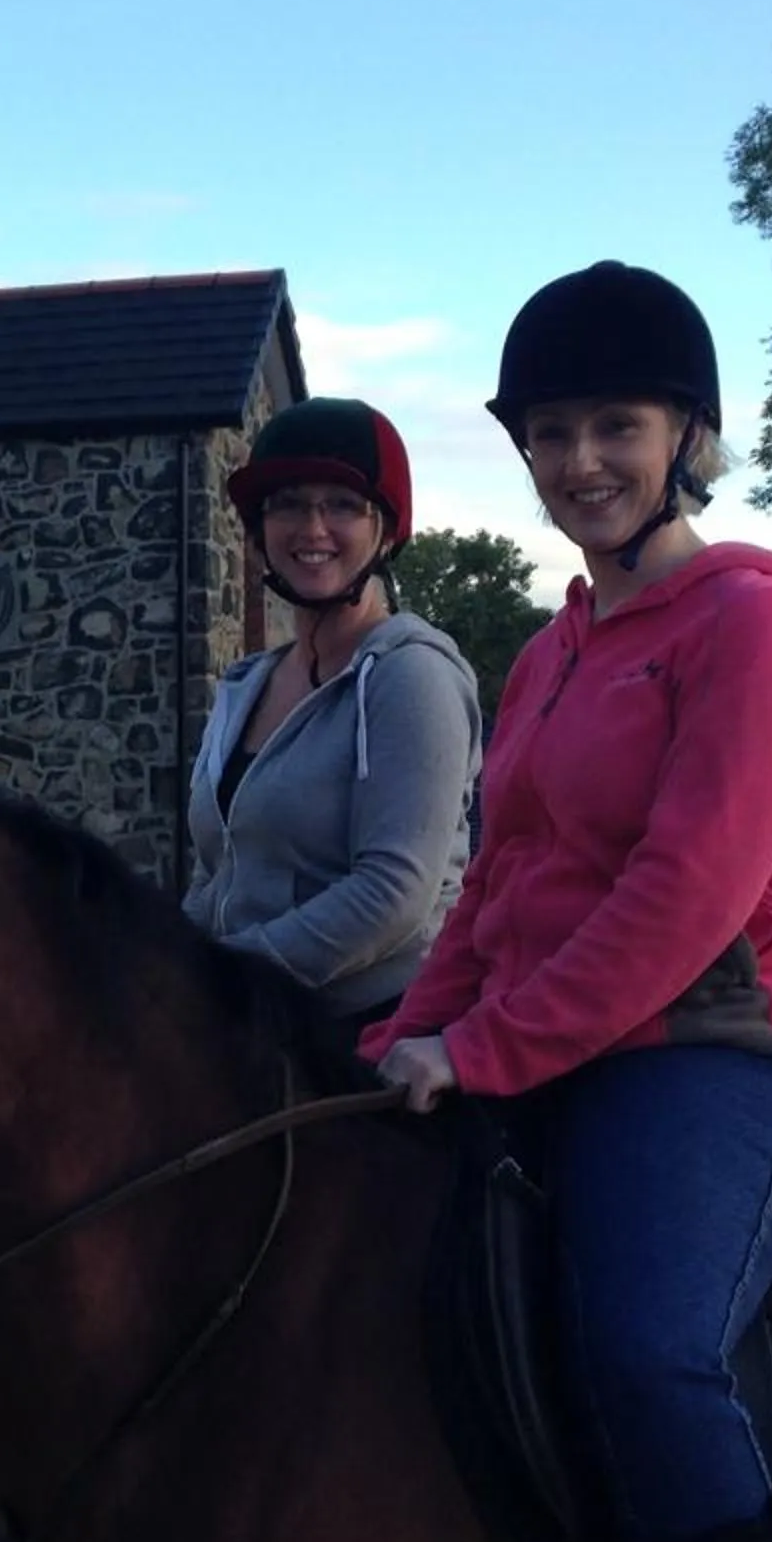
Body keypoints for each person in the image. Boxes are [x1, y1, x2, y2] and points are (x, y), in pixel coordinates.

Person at [363, 264, 772, 1542]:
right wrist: (392, 1052)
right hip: (557, 1035)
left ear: (687, 439)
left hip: (732, 1053)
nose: (582, 460)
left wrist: (486, 1053)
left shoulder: (753, 625)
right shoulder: (551, 653)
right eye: (554, 432)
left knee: (645, 1341)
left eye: (617, 428)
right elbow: (492, 896)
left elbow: (687, 897)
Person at [182, 396, 481, 1056]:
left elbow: (394, 893)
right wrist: (161, 966)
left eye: (342, 504)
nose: (311, 528)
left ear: (386, 529)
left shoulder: (413, 677)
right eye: (287, 503)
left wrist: (221, 980)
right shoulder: (248, 685)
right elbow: (217, 871)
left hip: (373, 1029)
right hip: (252, 1015)